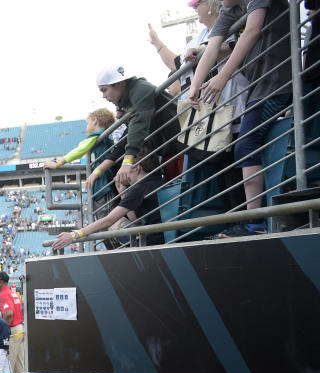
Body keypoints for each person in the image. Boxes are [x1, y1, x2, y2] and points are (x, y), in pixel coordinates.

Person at [189, 0, 293, 237]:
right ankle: (252, 220)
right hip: (261, 86)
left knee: (246, 145)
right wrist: (195, 85)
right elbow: (213, 48)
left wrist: (222, 76)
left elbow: (253, 30)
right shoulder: (230, 10)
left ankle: (255, 222)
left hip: (277, 82)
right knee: (245, 147)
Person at [51, 149, 165, 250]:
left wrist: (74, 235)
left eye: (125, 169)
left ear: (137, 168)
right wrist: (122, 193)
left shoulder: (140, 187)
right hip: (162, 235)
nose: (123, 174)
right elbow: (135, 219)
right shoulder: (157, 180)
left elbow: (108, 220)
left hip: (153, 242)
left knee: (115, 224)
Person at [96, 64, 181, 189]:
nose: (103, 96)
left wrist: (127, 161)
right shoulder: (131, 96)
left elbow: (139, 123)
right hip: (169, 148)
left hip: (181, 145)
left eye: (104, 89)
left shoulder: (140, 89)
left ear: (119, 83)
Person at [45, 109, 118, 220]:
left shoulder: (99, 135)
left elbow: (80, 150)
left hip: (104, 186)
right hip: (102, 186)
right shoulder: (103, 136)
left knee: (108, 221)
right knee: (104, 221)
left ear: (95, 121)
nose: (86, 127)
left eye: (87, 123)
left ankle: (125, 237)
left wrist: (58, 164)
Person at [0, 271, 26, 373]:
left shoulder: (4, 294)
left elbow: (8, 314)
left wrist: (3, 331)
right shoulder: (13, 292)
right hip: (19, 328)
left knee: (7, 365)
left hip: (11, 330)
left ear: (0, 281)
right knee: (19, 365)